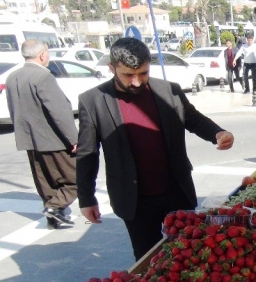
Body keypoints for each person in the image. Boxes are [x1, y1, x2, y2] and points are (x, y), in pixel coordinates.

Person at [76, 38, 234, 260]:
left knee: (189, 253)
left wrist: (217, 133)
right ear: (111, 68)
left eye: (143, 73)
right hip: (134, 201)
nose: (137, 82)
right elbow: (87, 153)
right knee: (148, 259)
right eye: (128, 75)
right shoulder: (92, 101)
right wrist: (86, 198)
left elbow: (192, 118)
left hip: (176, 191)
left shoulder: (169, 91)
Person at [5, 39, 78, 230]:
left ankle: (53, 215)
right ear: (42, 55)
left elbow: (14, 109)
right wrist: (74, 138)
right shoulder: (43, 77)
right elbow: (59, 111)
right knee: (77, 177)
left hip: (30, 139)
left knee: (45, 180)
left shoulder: (13, 76)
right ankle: (55, 207)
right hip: (53, 139)